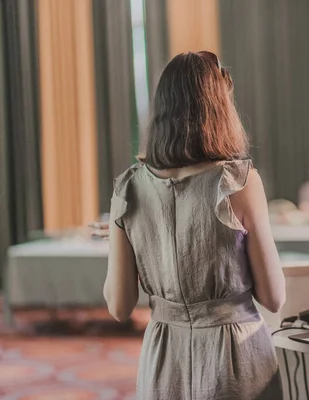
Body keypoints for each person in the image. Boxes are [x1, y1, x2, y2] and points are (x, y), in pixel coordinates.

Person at [101, 52, 284, 399]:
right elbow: (274, 297)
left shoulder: (127, 188)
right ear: (219, 108)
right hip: (233, 356)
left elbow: (119, 306)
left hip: (163, 358)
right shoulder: (237, 181)